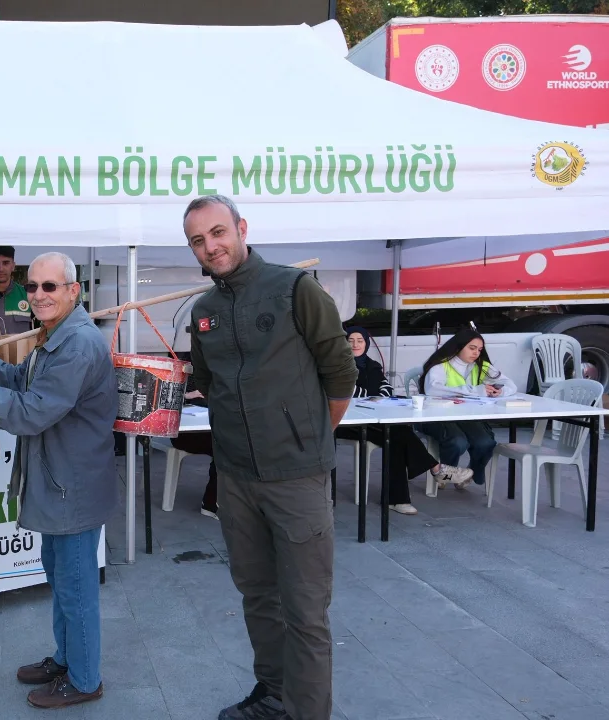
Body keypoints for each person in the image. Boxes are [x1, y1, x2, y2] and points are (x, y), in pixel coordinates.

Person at [184, 194, 358, 720]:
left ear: (240, 228)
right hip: (235, 478)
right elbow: (209, 386)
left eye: (218, 232)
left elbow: (340, 373)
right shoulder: (204, 312)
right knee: (257, 596)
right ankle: (274, 696)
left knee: (306, 612)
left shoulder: (294, 288)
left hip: (297, 478)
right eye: (198, 240)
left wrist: (308, 441)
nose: (210, 246)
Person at [0, 252, 116, 710]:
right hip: (59, 483)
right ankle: (67, 659)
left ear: (74, 291)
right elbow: (21, 379)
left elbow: (35, 411)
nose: (38, 295)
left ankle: (85, 677)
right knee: (61, 580)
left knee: (75, 588)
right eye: (32, 286)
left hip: (71, 487)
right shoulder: (57, 334)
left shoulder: (75, 343)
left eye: (49, 287)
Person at [336, 327, 473, 514]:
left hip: (373, 419)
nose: (355, 345)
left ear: (366, 343)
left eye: (360, 340)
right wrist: (370, 393)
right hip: (345, 421)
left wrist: (369, 393)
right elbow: (348, 393)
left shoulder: (372, 365)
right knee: (398, 433)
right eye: (350, 340)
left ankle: (398, 499)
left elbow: (386, 389)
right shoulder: (338, 365)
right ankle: (435, 470)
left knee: (395, 436)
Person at [419, 328, 517, 489]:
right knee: (458, 442)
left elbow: (510, 384)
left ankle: (471, 472)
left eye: (479, 349)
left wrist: (500, 392)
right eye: (472, 348)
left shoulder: (481, 366)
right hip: (439, 416)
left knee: (485, 442)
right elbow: (432, 389)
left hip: (467, 415)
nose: (476, 353)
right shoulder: (441, 365)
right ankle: (447, 474)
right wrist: (475, 390)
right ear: (458, 346)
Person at [168, 352, 219, 518]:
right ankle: (212, 502)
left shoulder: (219, 358)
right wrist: (188, 396)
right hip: (185, 430)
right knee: (225, 446)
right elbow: (163, 394)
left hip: (210, 421)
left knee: (232, 442)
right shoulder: (179, 356)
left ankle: (217, 500)